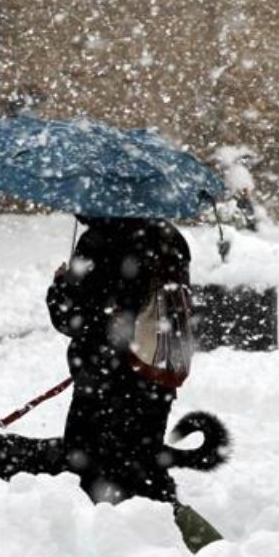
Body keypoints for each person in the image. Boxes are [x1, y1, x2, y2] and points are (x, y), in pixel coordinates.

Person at [46, 214, 192, 505]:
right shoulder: (171, 238)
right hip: (153, 371)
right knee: (143, 469)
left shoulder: (98, 241)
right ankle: (163, 532)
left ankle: (104, 540)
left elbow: (74, 319)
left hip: (103, 381)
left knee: (89, 477)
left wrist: (60, 287)